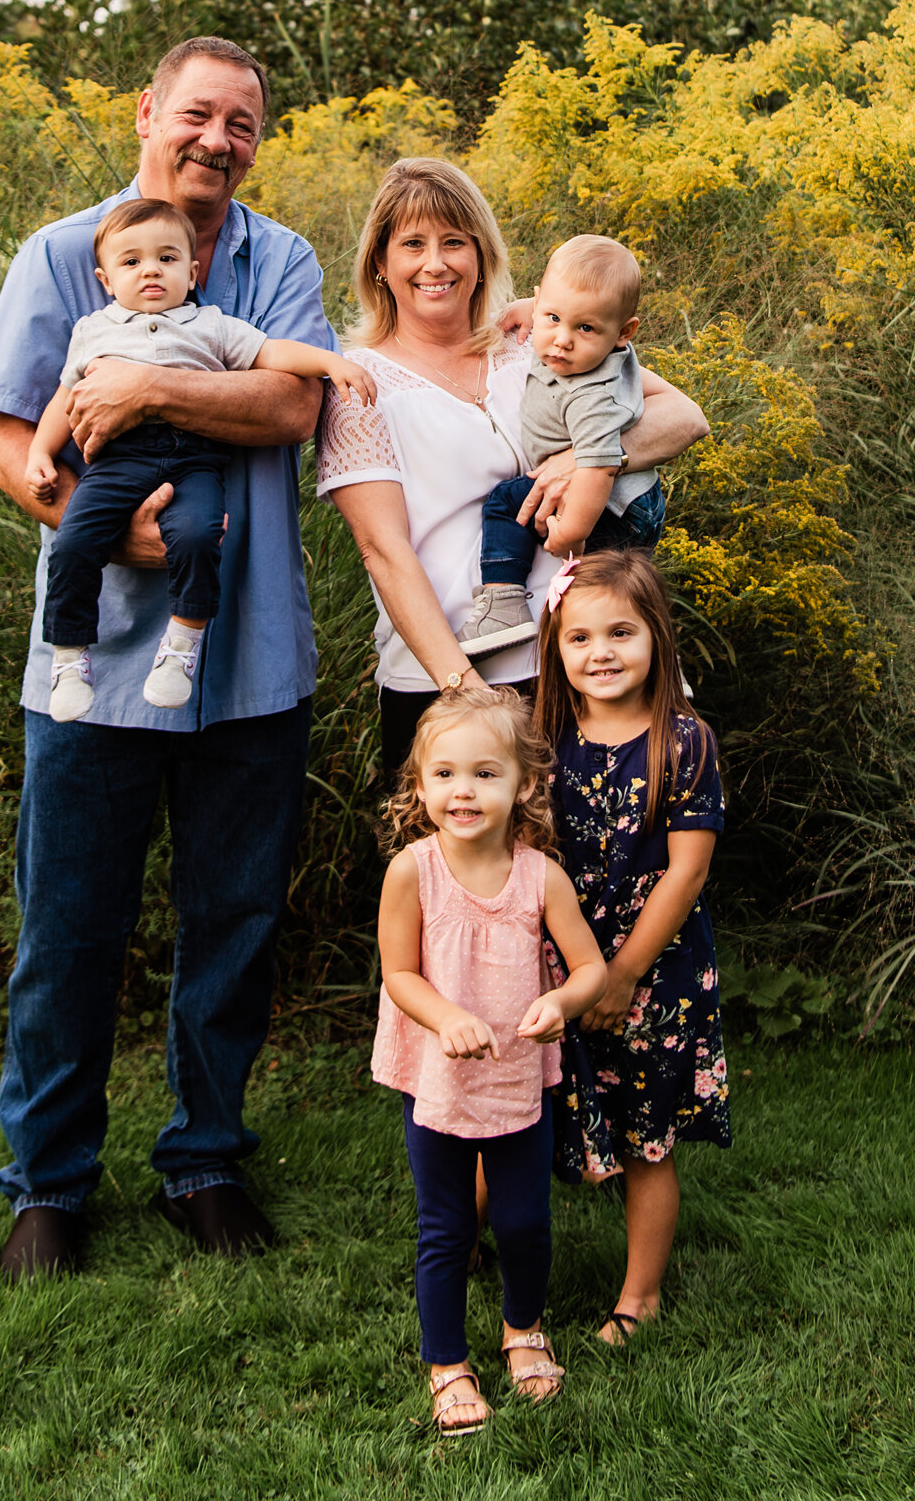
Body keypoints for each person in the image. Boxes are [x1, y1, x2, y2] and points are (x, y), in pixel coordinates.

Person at [0, 37, 333, 1277]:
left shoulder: (280, 260)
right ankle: (48, 1185)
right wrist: (99, 524)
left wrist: (137, 388)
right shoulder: (59, 252)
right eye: (196, 114)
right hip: (89, 658)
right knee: (68, 927)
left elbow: (291, 406)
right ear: (146, 113)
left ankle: (204, 1159)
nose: (216, 139)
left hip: (251, 651)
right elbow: (8, 432)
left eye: (241, 122)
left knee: (229, 921)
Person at [315, 158, 709, 786]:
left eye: (454, 242)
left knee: (608, 868)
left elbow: (684, 416)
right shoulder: (357, 383)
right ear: (380, 265)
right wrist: (464, 693)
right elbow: (381, 549)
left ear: (481, 253)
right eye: (412, 244)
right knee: (476, 879)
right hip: (447, 680)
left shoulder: (535, 341)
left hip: (584, 662)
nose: (435, 263)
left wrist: (582, 457)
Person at [27, 196, 373, 720]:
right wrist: (41, 452)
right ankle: (70, 656)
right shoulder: (94, 331)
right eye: (131, 262)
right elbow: (64, 398)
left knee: (198, 534)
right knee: (73, 541)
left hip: (194, 460)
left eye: (166, 259)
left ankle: (182, 646)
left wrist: (329, 361)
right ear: (105, 279)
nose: (150, 271)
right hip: (117, 462)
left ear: (191, 273)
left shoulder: (210, 325)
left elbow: (272, 354)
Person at [372, 688, 607, 1434]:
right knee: (445, 1226)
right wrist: (446, 1018)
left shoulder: (540, 876)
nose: (462, 792)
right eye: (442, 775)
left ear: (524, 786)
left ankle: (522, 1331)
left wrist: (561, 1004)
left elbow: (588, 968)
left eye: (483, 774)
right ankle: (446, 1362)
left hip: (515, 1075)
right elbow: (399, 974)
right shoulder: (413, 871)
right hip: (438, 1077)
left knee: (524, 1219)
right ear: (418, 786)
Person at [534, 548, 731, 1345]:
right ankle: (485, 1252)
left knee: (646, 1133)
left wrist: (619, 974)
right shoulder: (542, 741)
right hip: (554, 963)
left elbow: (684, 876)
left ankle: (638, 1296)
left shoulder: (682, 742)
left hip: (652, 969)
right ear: (554, 647)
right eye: (579, 638)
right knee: (529, 1116)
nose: (601, 653)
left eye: (621, 632)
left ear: (656, 637)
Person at [459, 233, 665, 660]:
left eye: (585, 328)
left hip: (615, 504)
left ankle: (503, 605)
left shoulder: (590, 393)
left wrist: (573, 532)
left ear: (623, 333)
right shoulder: (565, 342)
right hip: (635, 497)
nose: (562, 340)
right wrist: (529, 312)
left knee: (508, 505)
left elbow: (599, 467)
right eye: (552, 318)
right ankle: (655, 654)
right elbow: (561, 315)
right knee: (618, 591)